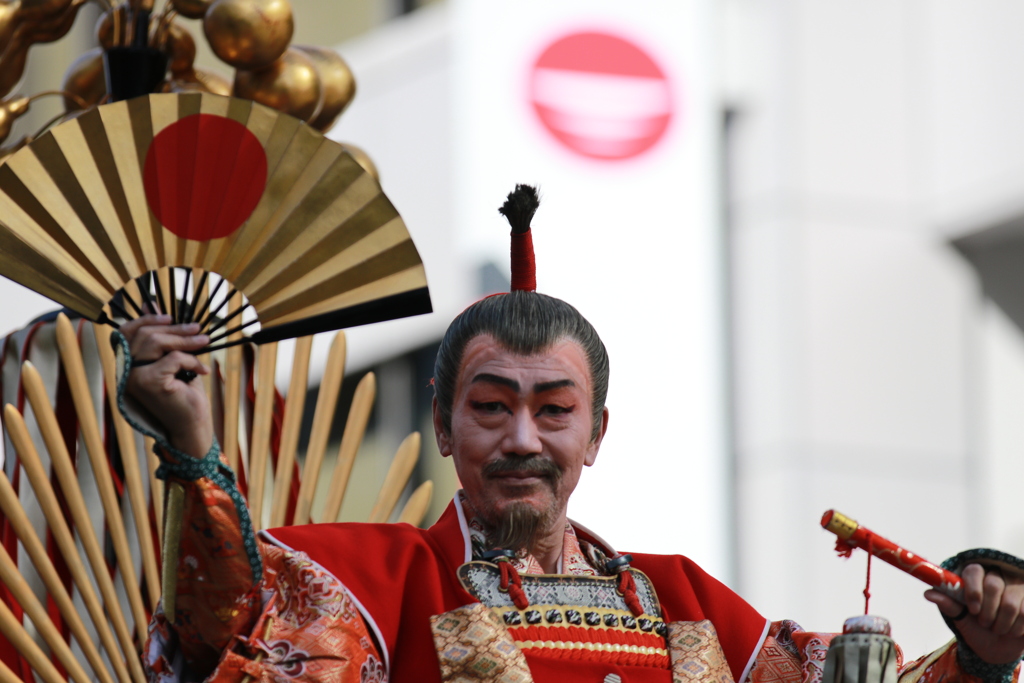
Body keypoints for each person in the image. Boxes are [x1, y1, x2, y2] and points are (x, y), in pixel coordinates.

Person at [120, 187, 1024, 683]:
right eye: (490, 407)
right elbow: (223, 634)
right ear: (442, 425)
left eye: (554, 409)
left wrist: (985, 653)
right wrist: (192, 449)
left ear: (595, 433)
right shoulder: (376, 584)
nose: (523, 437)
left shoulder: (681, 604)